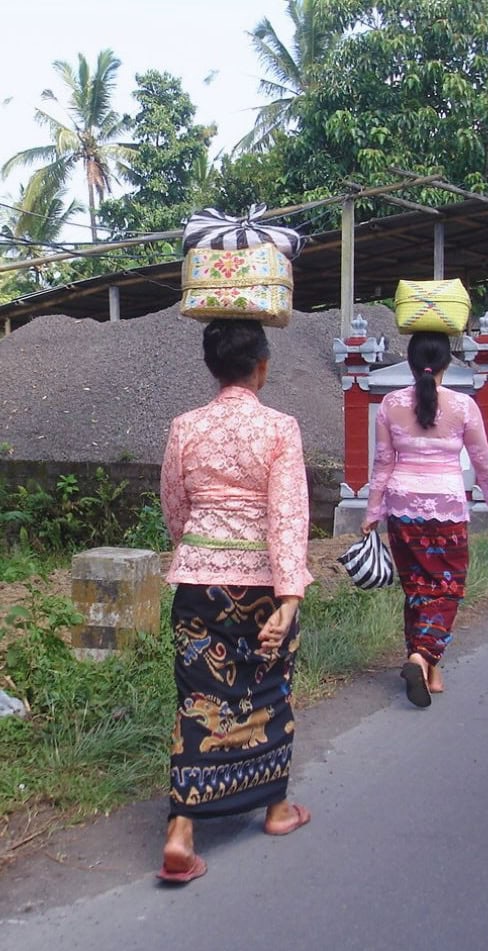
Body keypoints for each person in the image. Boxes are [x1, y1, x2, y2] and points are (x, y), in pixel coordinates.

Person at [157, 318, 313, 883]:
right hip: (264, 587)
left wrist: (195, 552)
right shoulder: (279, 429)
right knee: (268, 690)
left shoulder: (184, 427)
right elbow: (289, 514)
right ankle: (274, 809)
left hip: (198, 583)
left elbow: (174, 503)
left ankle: (182, 830)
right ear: (263, 366)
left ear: (210, 366)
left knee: (200, 697)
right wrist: (289, 599)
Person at [362, 330, 488, 709]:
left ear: (410, 364)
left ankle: (430, 668)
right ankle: (421, 656)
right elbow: (482, 459)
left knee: (417, 587)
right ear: (448, 365)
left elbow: (382, 464)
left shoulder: (390, 404)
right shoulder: (463, 407)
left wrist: (373, 512)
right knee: (446, 590)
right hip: (446, 508)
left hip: (402, 507)